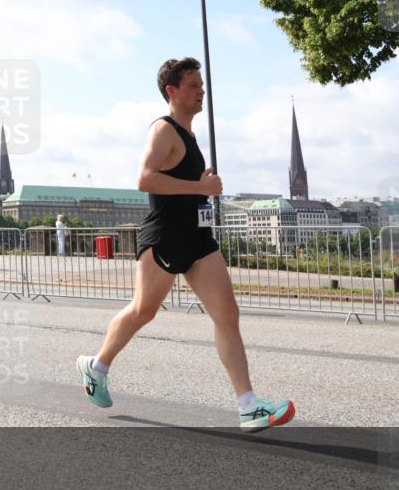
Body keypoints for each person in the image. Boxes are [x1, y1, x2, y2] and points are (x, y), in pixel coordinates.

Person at [75, 57, 295, 432]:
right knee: (144, 311)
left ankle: (248, 405)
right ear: (172, 91)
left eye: (202, 84)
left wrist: (201, 184)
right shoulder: (163, 130)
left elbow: (179, 182)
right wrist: (200, 187)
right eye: (193, 85)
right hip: (165, 236)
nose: (201, 91)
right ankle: (96, 367)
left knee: (228, 315)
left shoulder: (190, 137)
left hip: (197, 238)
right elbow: (145, 179)